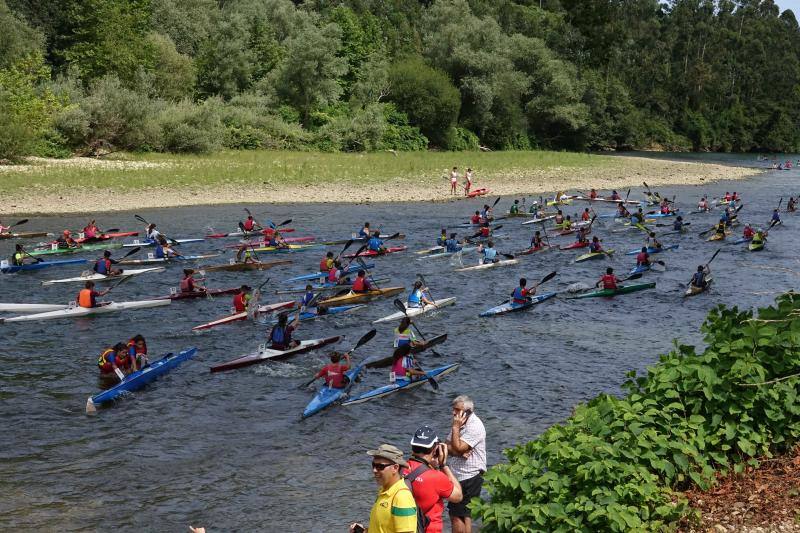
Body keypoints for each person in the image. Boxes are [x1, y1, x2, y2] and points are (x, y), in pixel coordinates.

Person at [403, 426, 463, 533]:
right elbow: (458, 496)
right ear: (435, 448)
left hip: (405, 527)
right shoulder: (436, 477)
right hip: (428, 529)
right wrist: (443, 465)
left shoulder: (399, 469)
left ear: (413, 446)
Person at [349, 444, 417, 533]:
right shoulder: (384, 491)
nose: (374, 470)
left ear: (395, 468)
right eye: (373, 465)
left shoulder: (402, 497)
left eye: (380, 466)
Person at [447, 395, 487, 533]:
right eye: (453, 409)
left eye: (457, 410)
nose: (454, 413)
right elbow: (447, 445)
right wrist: (457, 451)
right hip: (458, 476)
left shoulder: (474, 426)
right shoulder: (459, 423)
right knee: (463, 514)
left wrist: (455, 429)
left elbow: (457, 447)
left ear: (468, 411)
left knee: (457, 515)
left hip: (470, 476)